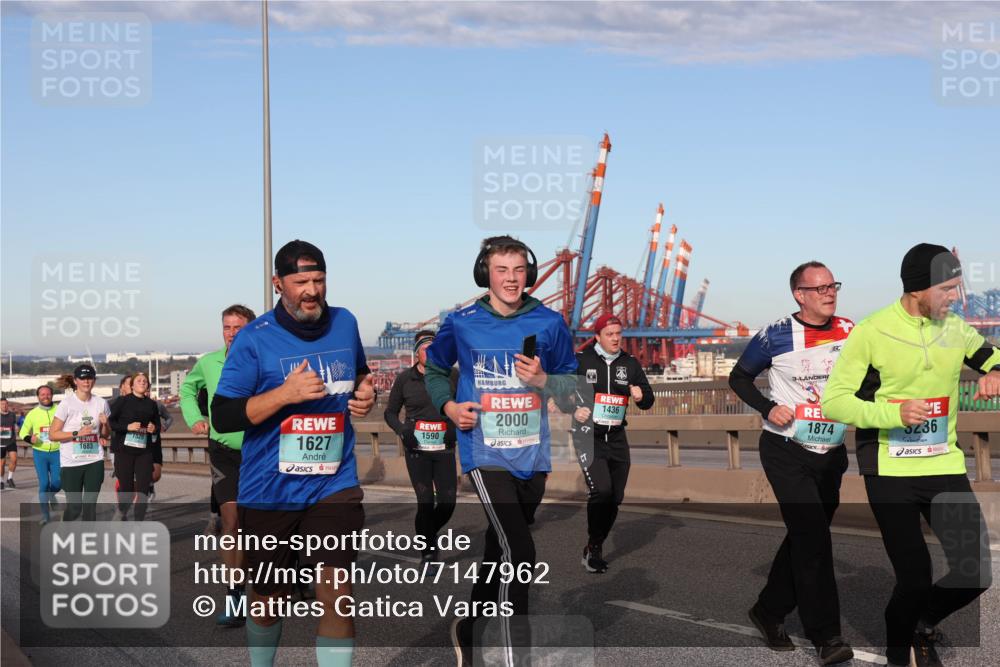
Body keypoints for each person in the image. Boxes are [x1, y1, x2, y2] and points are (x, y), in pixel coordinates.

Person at [823, 244, 1000, 667]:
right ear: (919, 288)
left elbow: (991, 355)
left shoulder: (955, 329)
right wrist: (893, 412)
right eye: (948, 288)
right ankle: (900, 655)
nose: (955, 297)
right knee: (915, 577)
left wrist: (994, 372)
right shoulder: (871, 331)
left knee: (975, 572)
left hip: (944, 465)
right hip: (890, 470)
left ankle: (923, 621)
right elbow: (835, 402)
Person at [211, 240, 376, 667]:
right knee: (270, 597)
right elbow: (225, 415)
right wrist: (284, 394)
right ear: (277, 284)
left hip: (333, 483)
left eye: (319, 280)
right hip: (269, 489)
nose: (311, 290)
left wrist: (365, 392)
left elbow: (359, 373)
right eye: (301, 281)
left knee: (337, 589)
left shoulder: (345, 322)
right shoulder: (254, 339)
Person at [424, 235, 577, 667]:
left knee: (499, 549)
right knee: (521, 553)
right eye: (501, 270)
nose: (511, 279)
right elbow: (435, 368)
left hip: (532, 455)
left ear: (528, 272)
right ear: (485, 273)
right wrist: (450, 406)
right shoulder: (462, 321)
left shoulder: (549, 322)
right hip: (483, 451)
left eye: (518, 270)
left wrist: (546, 381)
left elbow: (572, 383)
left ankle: (470, 629)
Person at [727, 261, 854, 664]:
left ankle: (768, 610)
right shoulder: (774, 335)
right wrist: (769, 407)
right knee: (814, 538)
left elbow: (870, 379)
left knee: (806, 535)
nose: (829, 293)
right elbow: (739, 378)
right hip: (785, 450)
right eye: (819, 288)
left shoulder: (851, 331)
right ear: (799, 294)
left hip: (830, 451)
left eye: (833, 285)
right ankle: (826, 636)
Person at [180, 303, 256, 627]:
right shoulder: (209, 362)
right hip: (224, 451)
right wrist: (196, 418)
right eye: (227, 327)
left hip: (260, 450)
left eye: (239, 327)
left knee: (267, 523)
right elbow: (187, 388)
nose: (232, 333)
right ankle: (235, 594)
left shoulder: (262, 360)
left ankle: (285, 570)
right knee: (231, 522)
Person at [565, 313, 654, 574]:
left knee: (615, 497)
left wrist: (640, 396)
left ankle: (595, 543)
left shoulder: (630, 364)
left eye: (618, 334)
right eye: (609, 334)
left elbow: (649, 400)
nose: (615, 339)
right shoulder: (581, 361)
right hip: (587, 436)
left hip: (616, 436)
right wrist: (573, 408)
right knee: (601, 491)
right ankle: (594, 548)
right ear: (597, 337)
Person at [383, 329, 458, 562]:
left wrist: (456, 429)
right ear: (417, 354)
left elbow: (465, 404)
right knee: (425, 501)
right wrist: (404, 431)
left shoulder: (452, 375)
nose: (431, 352)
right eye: (426, 349)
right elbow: (390, 413)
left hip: (444, 448)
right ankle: (428, 551)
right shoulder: (405, 379)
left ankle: (426, 533)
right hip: (417, 449)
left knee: (447, 502)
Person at [48, 365, 110, 522]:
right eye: (82, 378)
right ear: (76, 381)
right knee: (75, 508)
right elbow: (53, 434)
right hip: (71, 464)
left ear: (94, 381)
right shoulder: (66, 404)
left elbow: (105, 435)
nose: (86, 381)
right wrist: (77, 433)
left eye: (89, 378)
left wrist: (105, 424)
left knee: (90, 508)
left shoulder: (101, 403)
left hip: (94, 460)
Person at [109, 372, 161, 520]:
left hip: (144, 452)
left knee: (143, 490)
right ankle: (121, 512)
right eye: (139, 380)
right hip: (124, 452)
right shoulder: (123, 401)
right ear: (132, 385)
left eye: (145, 381)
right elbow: (111, 423)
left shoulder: (151, 404)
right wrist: (127, 427)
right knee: (127, 490)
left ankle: (139, 523)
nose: (143, 382)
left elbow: (157, 425)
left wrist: (153, 428)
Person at [19, 386, 60, 524]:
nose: (45, 396)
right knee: (44, 484)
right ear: (38, 397)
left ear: (52, 395)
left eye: (48, 394)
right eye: (42, 394)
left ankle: (51, 495)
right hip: (40, 453)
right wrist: (30, 439)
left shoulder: (60, 410)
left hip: (58, 451)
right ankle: (46, 516)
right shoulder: (32, 413)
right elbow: (23, 432)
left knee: (58, 482)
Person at [1, 398, 18, 490]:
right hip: (1, 442)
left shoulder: (12, 415)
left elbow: (14, 424)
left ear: (8, 405)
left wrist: (16, 427)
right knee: (2, 463)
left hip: (11, 441)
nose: (4, 406)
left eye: (6, 404)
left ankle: (10, 478)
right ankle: (1, 480)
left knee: (14, 460)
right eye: (2, 404)